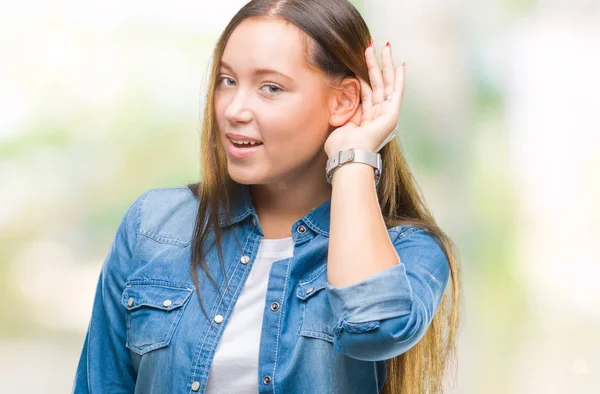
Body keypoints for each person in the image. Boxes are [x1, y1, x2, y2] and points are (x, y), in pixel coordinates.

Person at [72, 0, 460, 393]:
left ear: (343, 101)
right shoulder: (153, 225)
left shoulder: (410, 250)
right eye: (227, 81)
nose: (234, 110)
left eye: (270, 87)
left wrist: (354, 157)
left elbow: (373, 330)